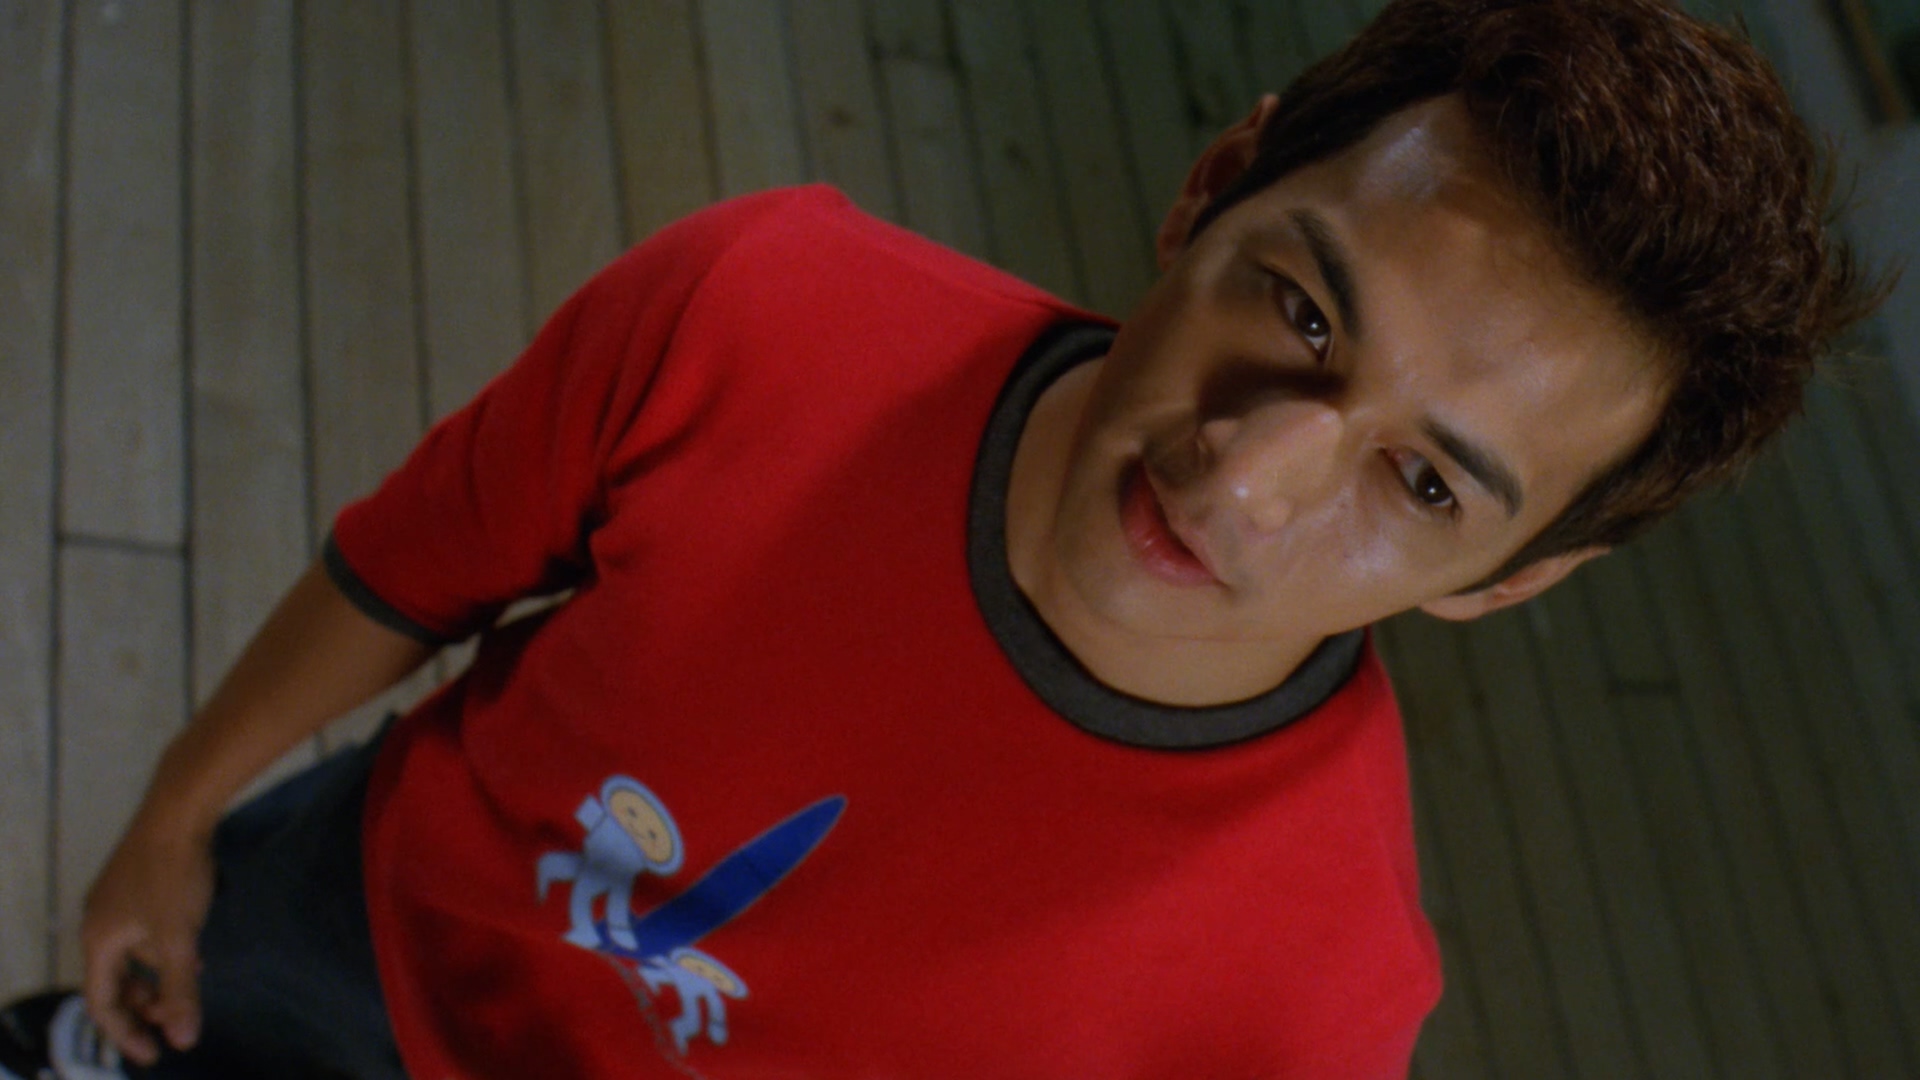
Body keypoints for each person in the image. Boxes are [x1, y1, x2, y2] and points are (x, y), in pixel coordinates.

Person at [0, 0, 1881, 1077]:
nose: (1245, 478)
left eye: (1428, 486)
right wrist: (178, 814)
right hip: (338, 926)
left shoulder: (1312, 999)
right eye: (1303, 310)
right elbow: (414, 563)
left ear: (1512, 579)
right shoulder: (759, 307)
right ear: (1212, 187)